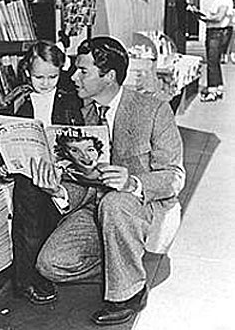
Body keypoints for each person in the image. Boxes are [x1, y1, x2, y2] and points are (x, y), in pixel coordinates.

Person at [31, 36, 185, 326]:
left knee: (115, 203)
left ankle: (128, 294)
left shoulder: (153, 110)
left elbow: (174, 178)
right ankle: (124, 263)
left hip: (142, 205)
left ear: (109, 76)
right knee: (50, 265)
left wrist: (133, 183)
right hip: (96, 207)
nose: (73, 76)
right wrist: (58, 190)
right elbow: (83, 181)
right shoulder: (83, 113)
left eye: (82, 71)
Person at [9, 40, 84, 305]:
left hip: (58, 174)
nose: (45, 82)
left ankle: (44, 273)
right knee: (27, 228)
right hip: (27, 175)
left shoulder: (68, 100)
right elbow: (5, 134)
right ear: (28, 71)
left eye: (52, 77)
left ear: (61, 72)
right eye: (39, 77)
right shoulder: (18, 100)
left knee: (51, 224)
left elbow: (75, 135)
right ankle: (24, 281)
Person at [199, 0, 233, 102]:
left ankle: (212, 91)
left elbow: (219, 17)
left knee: (212, 62)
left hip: (217, 33)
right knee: (215, 62)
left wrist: (205, 18)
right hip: (216, 32)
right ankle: (218, 87)